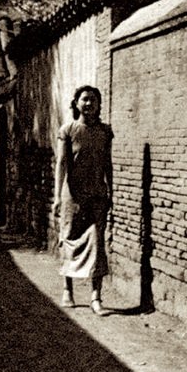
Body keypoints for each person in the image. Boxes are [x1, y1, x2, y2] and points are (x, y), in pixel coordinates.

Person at [52, 85, 113, 315]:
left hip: (97, 194)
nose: (89, 104)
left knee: (98, 242)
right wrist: (58, 197)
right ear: (76, 103)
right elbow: (61, 164)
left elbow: (108, 164)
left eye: (93, 100)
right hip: (72, 196)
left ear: (99, 105)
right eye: (85, 99)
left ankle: (96, 297)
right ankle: (68, 290)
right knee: (70, 239)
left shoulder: (105, 132)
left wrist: (111, 193)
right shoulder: (68, 130)